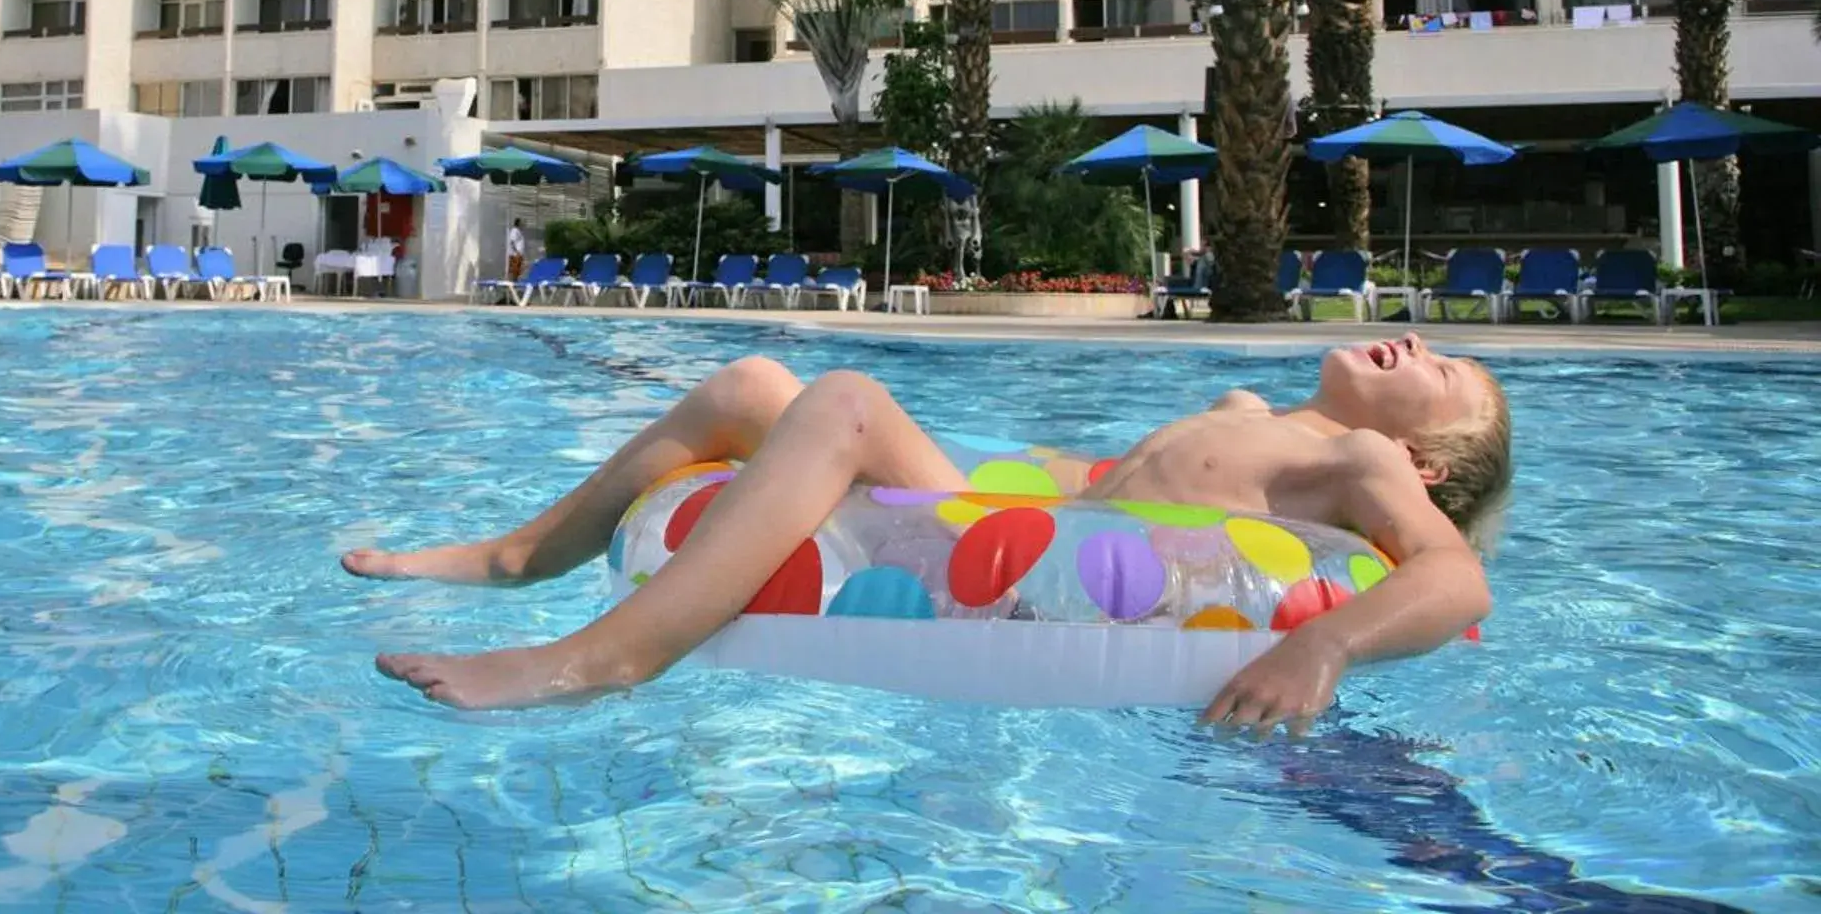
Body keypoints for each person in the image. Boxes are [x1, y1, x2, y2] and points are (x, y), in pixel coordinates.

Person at [348, 332, 1511, 731]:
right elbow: (1092, 487)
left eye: (1442, 371)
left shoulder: (1355, 463)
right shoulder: (1256, 415)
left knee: (845, 399)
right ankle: (517, 557)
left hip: (1023, 566)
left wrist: (1327, 645)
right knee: (758, 383)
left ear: (1426, 460)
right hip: (1017, 523)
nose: (1412, 344)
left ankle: (609, 653)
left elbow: (1457, 578)